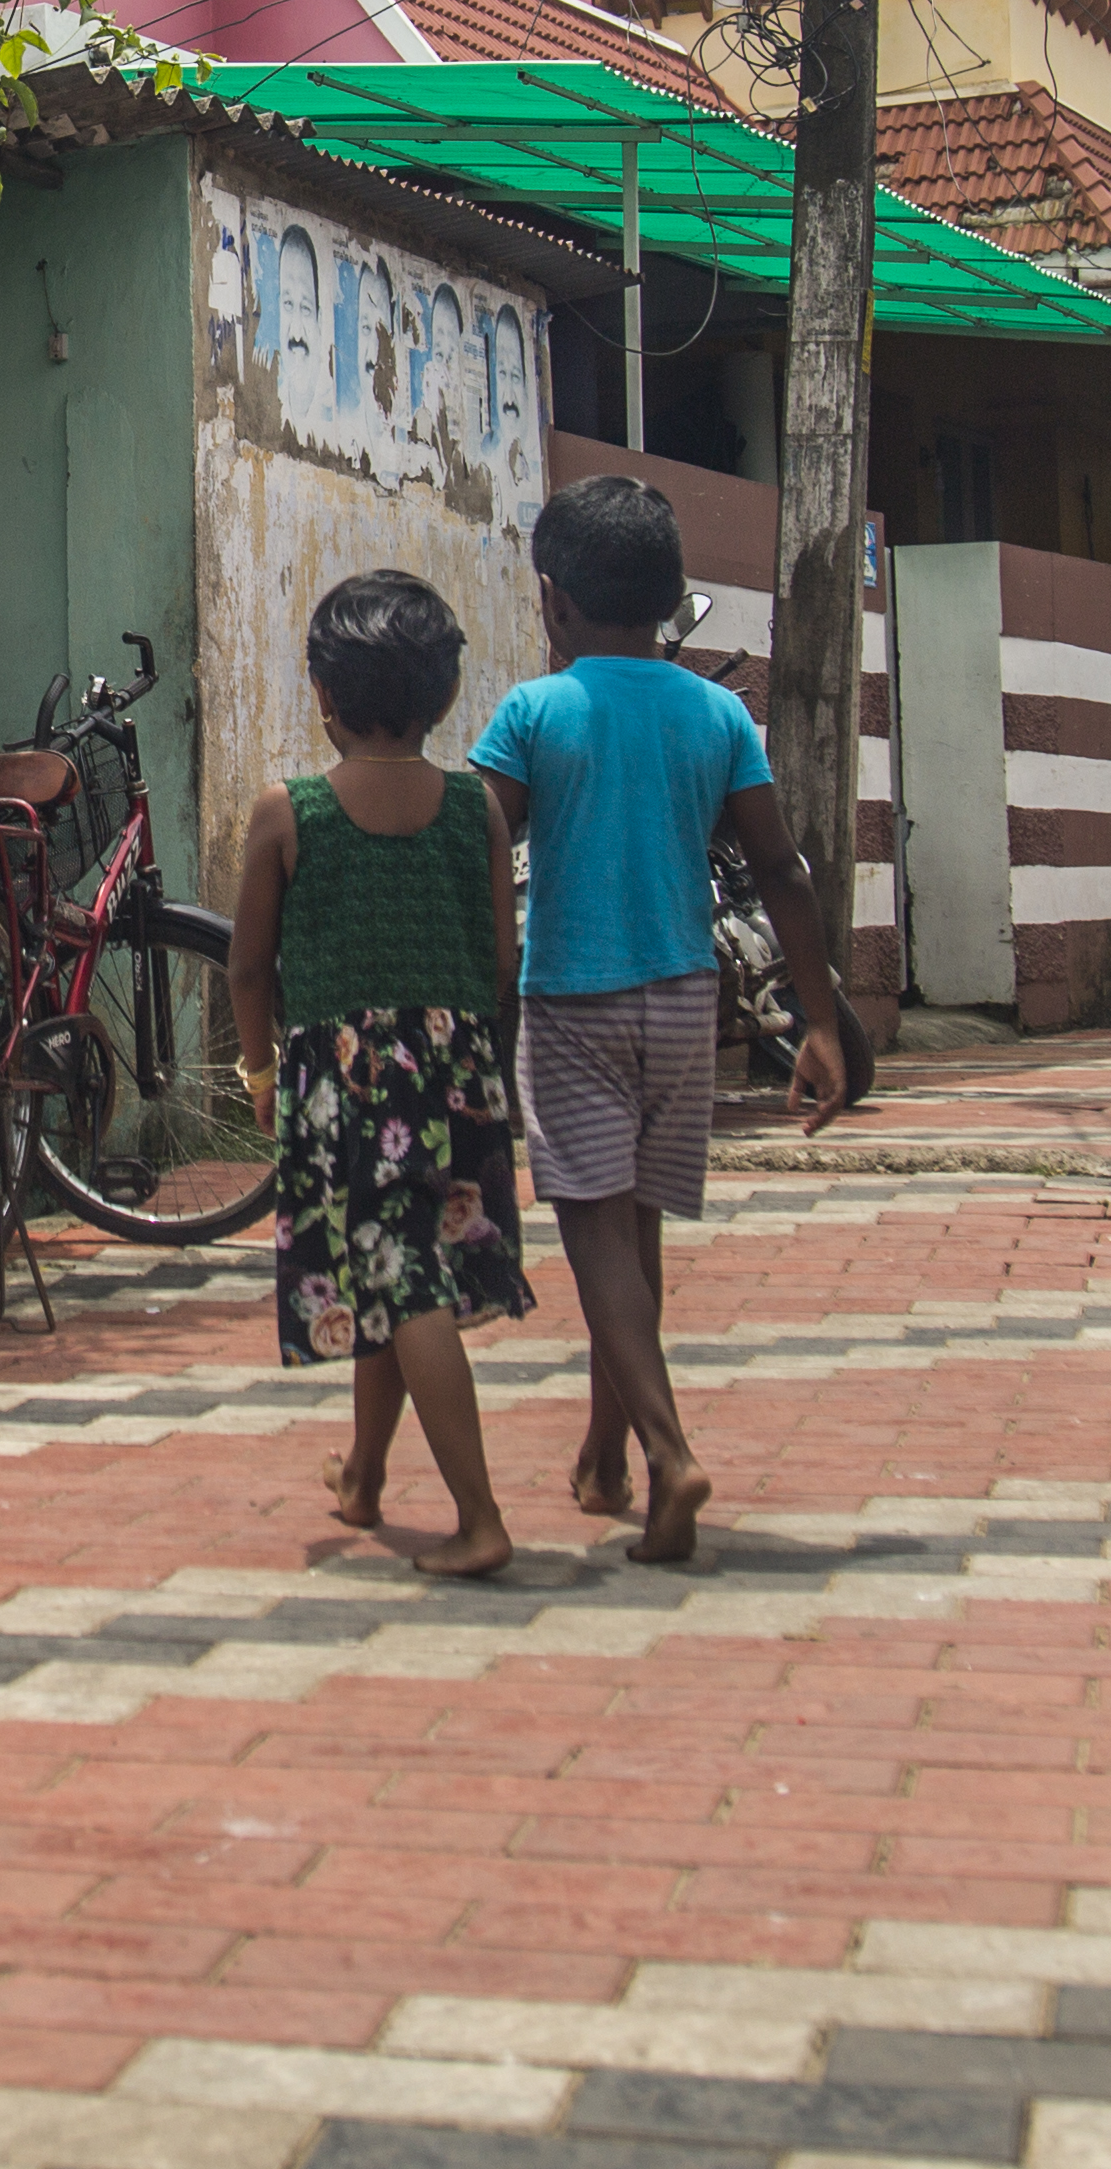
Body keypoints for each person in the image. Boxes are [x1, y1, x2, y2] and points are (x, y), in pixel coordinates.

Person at [467, 475, 853, 1562]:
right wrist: (819, 1022)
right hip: (687, 1003)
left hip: (573, 1001)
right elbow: (781, 867)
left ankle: (671, 1451)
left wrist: (477, 966)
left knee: (594, 1237)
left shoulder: (535, 713)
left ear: (551, 600)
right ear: (671, 597)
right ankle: (604, 1454)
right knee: (632, 1242)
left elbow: (478, 842)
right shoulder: (719, 713)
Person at [224, 567, 532, 1581]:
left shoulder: (288, 812)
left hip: (346, 1084)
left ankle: (480, 1515)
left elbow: (250, 964)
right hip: (455, 1070)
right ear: (444, 697)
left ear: (321, 691)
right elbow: (497, 957)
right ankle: (362, 1473)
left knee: (399, 1280)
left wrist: (261, 1069)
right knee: (390, 1266)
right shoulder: (475, 811)